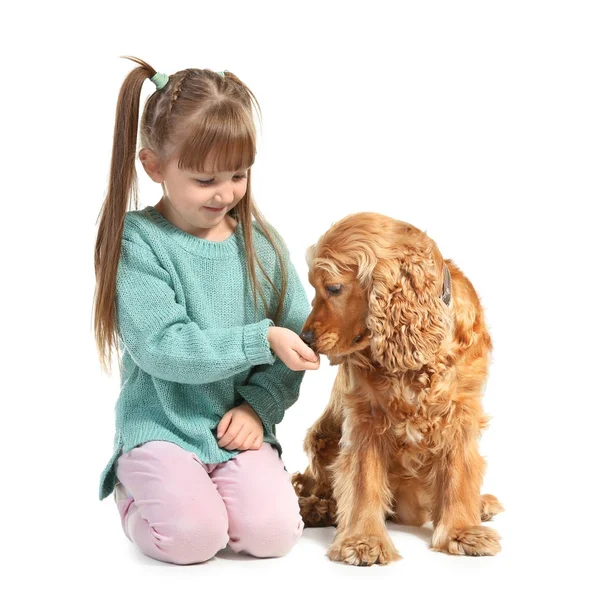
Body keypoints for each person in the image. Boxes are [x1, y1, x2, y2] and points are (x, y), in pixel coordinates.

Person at [93, 56, 319, 565]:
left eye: (238, 175)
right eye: (204, 180)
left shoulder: (261, 244)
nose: (225, 193)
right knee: (193, 538)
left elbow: (297, 336)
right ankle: (136, 491)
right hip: (162, 425)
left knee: (274, 535)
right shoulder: (138, 241)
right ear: (154, 166)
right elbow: (161, 345)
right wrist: (257, 339)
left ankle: (215, 488)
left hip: (234, 427)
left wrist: (258, 407)